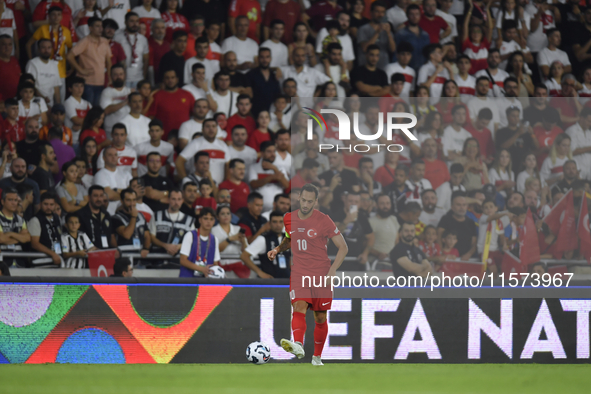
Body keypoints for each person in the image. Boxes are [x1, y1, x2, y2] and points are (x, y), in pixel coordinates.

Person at [267, 183, 348, 366]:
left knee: (320, 317)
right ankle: (298, 344)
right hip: (299, 271)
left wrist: (333, 269)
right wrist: (278, 249)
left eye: (309, 201)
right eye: (303, 200)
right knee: (298, 306)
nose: (305, 204)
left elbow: (343, 247)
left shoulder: (324, 220)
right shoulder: (288, 218)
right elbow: (289, 238)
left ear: (316, 202)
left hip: (321, 273)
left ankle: (317, 357)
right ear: (299, 198)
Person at [27, 7, 73, 101]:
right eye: (53, 14)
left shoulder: (66, 31)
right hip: (44, 70)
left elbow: (71, 50)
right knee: (44, 99)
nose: (56, 17)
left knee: (60, 101)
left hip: (61, 71)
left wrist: (72, 68)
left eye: (58, 14)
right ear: (49, 16)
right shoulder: (43, 29)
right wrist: (32, 60)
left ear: (62, 17)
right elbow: (28, 44)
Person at [67, 17, 112, 106]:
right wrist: (80, 70)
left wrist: (109, 78)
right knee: (87, 110)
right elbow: (69, 56)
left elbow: (109, 61)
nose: (100, 29)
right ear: (90, 28)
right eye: (97, 26)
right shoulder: (85, 41)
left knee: (96, 110)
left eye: (101, 26)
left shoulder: (104, 41)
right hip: (86, 83)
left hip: (100, 82)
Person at [176, 118, 229, 185]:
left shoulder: (223, 145)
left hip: (217, 189)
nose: (211, 129)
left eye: (213, 126)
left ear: (217, 130)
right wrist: (188, 183)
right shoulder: (195, 143)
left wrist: (225, 185)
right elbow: (179, 162)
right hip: (198, 189)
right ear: (202, 130)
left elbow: (228, 166)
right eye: (207, 126)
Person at [148, 69, 195, 138]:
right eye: (167, 78)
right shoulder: (157, 96)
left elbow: (194, 113)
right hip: (163, 138)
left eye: (173, 77)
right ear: (163, 80)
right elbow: (151, 117)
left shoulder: (187, 95)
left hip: (184, 137)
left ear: (177, 79)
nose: (170, 80)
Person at [150, 189, 195, 256]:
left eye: (179, 199)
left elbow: (192, 240)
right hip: (156, 258)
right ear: (168, 200)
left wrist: (178, 247)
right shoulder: (156, 216)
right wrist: (165, 246)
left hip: (177, 261)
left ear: (182, 201)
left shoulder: (189, 220)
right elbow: (151, 237)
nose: (176, 202)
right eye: (173, 199)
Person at [179, 207, 221, 277]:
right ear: (200, 220)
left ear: (214, 221)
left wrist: (219, 273)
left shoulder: (214, 239)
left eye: (211, 219)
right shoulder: (190, 235)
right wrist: (202, 269)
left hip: (205, 282)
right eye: (205, 218)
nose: (208, 222)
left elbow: (215, 263)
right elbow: (183, 260)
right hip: (187, 280)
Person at [249, 141, 289, 211]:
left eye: (274, 151)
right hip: (259, 209)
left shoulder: (280, 168)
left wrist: (274, 169)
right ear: (262, 154)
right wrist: (272, 177)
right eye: (269, 152)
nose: (273, 154)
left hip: (278, 209)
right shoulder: (253, 167)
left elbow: (286, 185)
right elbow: (253, 184)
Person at [437, 193, 477, 260]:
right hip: (447, 259)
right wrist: (442, 254)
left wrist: (468, 255)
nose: (462, 207)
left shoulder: (471, 222)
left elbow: (474, 243)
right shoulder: (445, 219)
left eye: (464, 205)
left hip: (465, 259)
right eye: (458, 205)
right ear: (452, 207)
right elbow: (438, 238)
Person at [93, 146, 133, 214]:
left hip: (128, 212)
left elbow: (134, 192)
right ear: (104, 158)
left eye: (115, 155)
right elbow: (109, 195)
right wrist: (127, 194)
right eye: (110, 155)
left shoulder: (126, 174)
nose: (113, 157)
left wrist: (117, 190)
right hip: (110, 213)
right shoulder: (100, 175)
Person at [356, 1, 395, 70]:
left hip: (383, 67)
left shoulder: (387, 29)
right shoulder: (363, 29)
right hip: (366, 68)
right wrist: (377, 32)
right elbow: (365, 48)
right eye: (377, 11)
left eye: (383, 12)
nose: (380, 15)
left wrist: (389, 33)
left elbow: (393, 49)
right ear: (371, 13)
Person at [212, 205, 249, 277]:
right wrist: (229, 239)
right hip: (222, 264)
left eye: (228, 213)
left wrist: (243, 241)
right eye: (223, 214)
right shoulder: (213, 230)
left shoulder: (238, 229)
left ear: (231, 216)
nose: (226, 216)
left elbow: (246, 251)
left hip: (239, 265)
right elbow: (215, 250)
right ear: (217, 217)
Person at [28, 192, 63, 267]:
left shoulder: (57, 218)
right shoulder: (35, 220)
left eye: (51, 204)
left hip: (56, 259)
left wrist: (57, 254)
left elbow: (58, 238)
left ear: (55, 205)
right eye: (46, 204)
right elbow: (35, 244)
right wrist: (53, 254)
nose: (48, 207)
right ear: (40, 204)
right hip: (40, 260)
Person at [112, 187, 150, 255]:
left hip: (140, 257)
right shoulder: (116, 218)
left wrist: (146, 248)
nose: (132, 203)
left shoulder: (141, 216)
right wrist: (133, 217)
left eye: (134, 200)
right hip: (124, 257)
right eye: (128, 200)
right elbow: (127, 235)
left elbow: (147, 236)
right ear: (122, 201)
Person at [246, 47, 282, 116]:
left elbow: (277, 95)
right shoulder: (250, 74)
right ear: (258, 58)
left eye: (267, 57)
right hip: (254, 113)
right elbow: (247, 96)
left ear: (270, 58)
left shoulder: (274, 76)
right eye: (262, 57)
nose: (265, 60)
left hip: (271, 114)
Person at [26, 39, 62, 107]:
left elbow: (56, 88)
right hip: (35, 103)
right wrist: (43, 98)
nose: (46, 50)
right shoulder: (32, 63)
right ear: (38, 49)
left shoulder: (54, 64)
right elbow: (30, 85)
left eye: (49, 48)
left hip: (50, 105)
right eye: (43, 47)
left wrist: (58, 106)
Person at [77, 184, 113, 249]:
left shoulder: (106, 214)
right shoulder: (80, 215)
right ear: (89, 197)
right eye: (95, 196)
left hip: (106, 252)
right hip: (88, 254)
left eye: (101, 196)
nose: (99, 199)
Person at [100, 64, 132, 136]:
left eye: (121, 74)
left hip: (129, 129)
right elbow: (106, 110)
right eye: (115, 75)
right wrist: (126, 101)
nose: (119, 77)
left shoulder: (130, 91)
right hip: (111, 130)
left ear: (125, 75)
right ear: (111, 76)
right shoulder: (106, 92)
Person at [368, 193, 399, 264]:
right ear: (376, 205)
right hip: (375, 263)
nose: (386, 206)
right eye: (382, 203)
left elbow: (397, 241)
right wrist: (378, 254)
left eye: (388, 203)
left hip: (392, 262)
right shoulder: (370, 221)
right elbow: (364, 244)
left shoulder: (394, 219)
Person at [0, 188, 31, 258]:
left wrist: (10, 234)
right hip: (3, 259)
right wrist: (19, 238)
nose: (14, 203)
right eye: (10, 200)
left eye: (15, 200)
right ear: (2, 201)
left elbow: (27, 238)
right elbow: (1, 239)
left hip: (19, 259)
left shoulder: (20, 219)